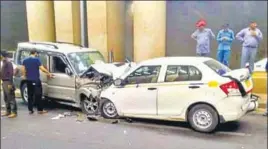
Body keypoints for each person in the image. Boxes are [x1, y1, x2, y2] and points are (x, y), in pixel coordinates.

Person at [21, 49, 53, 114]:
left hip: (28, 80)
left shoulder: (25, 60)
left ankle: (30, 110)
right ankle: (40, 110)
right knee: (38, 95)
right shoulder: (37, 60)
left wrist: (24, 76)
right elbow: (42, 68)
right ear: (35, 53)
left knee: (30, 95)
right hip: (35, 80)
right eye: (36, 53)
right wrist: (48, 73)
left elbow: (23, 70)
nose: (37, 54)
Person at [0, 50, 17, 118]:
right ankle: (8, 111)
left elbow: (10, 73)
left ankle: (14, 112)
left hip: (8, 82)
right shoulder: (3, 62)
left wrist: (10, 83)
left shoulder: (8, 63)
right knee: (6, 97)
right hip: (4, 82)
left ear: (2, 55)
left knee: (11, 97)